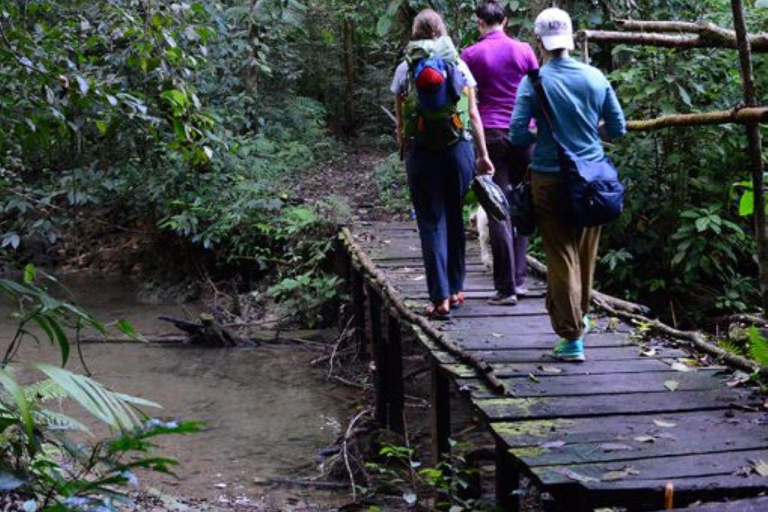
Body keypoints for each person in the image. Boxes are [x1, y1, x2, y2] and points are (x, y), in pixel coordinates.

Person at [509, 7, 626, 361]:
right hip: (593, 178)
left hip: (550, 179)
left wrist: (542, 131)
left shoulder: (534, 82)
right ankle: (580, 318)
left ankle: (572, 336)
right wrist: (590, 131)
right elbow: (618, 129)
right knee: (585, 255)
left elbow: (516, 135)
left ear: (539, 40)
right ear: (570, 38)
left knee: (561, 257)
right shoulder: (595, 77)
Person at [391, 9, 494, 320]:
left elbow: (400, 121)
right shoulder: (458, 64)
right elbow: (473, 114)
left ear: (416, 33)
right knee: (453, 216)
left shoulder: (404, 68)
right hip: (457, 150)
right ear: (441, 30)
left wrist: (402, 148)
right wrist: (482, 154)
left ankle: (439, 300)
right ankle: (457, 290)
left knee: (431, 222)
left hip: (422, 153)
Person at [461, 0, 538, 306]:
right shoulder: (524, 51)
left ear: (480, 23)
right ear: (505, 21)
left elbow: (465, 99)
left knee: (496, 207)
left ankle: (505, 287)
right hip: (524, 134)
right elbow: (538, 89)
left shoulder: (470, 54)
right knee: (520, 203)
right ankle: (519, 280)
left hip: (489, 135)